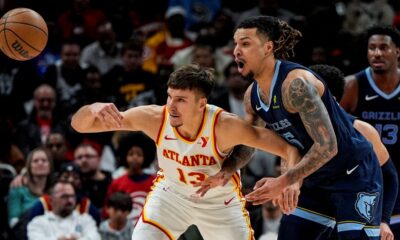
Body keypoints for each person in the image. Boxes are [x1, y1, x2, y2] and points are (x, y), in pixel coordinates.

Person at [71, 64, 301, 239]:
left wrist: (289, 181)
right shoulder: (154, 118)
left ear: (202, 103)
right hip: (171, 196)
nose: (171, 105)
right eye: (170, 96)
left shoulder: (224, 126)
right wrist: (93, 108)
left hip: (219, 204)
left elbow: (288, 147)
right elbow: (79, 125)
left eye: (181, 100)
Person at [202, 16, 383, 240]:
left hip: (353, 173)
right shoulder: (252, 96)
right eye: (235, 43)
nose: (236, 51)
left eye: (245, 43)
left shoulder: (296, 84)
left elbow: (328, 146)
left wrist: (284, 180)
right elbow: (250, 141)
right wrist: (225, 172)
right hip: (315, 177)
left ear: (268, 48)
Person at [309, 64, 398, 240]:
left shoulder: (362, 131)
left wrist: (384, 220)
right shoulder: (297, 130)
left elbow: (390, 176)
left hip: (354, 220)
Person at [340, 25, 400, 238]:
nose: (377, 53)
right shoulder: (352, 85)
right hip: (366, 177)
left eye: (384, 47)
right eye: (372, 48)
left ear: (397, 52)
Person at [27, 180, 100, 239]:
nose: (70, 200)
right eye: (64, 196)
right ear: (51, 200)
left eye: (72, 196)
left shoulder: (85, 219)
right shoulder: (38, 222)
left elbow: (95, 237)